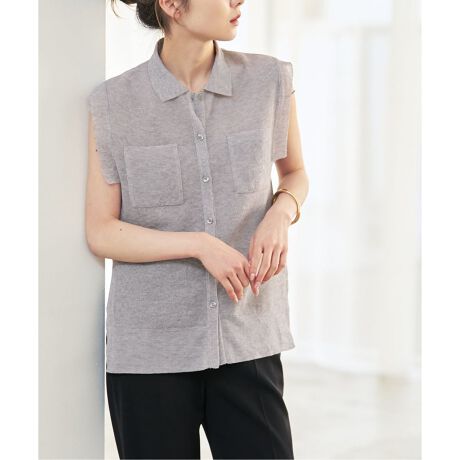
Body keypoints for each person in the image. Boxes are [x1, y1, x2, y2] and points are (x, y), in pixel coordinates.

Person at [85, 0, 309, 458]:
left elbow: (295, 174)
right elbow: (102, 230)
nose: (238, 1)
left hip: (247, 336)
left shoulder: (269, 81)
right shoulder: (113, 104)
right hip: (149, 353)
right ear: (172, 5)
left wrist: (281, 212)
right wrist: (199, 245)